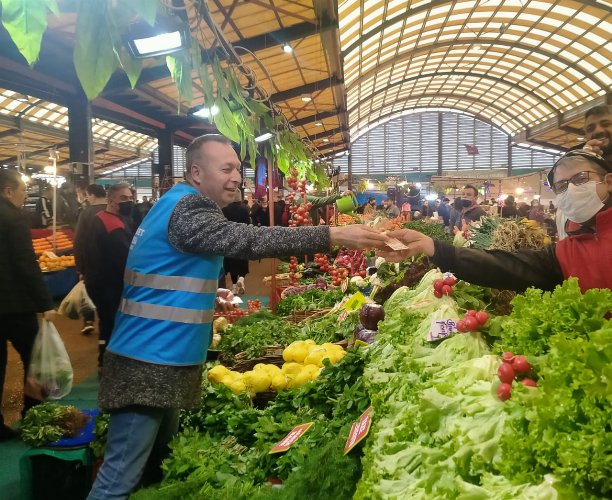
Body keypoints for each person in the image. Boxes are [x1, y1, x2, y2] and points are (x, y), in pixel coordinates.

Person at [87, 135, 388, 499]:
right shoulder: (188, 208)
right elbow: (247, 240)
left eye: (238, 170)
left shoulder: (174, 204)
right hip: (148, 358)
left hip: (159, 354)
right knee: (118, 480)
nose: (236, 178)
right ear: (197, 172)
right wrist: (333, 234)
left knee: (152, 468)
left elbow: (164, 269)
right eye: (226, 169)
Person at [382, 149, 612, 393]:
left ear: (608, 182)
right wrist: (434, 248)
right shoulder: (565, 252)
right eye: (561, 186)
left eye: (579, 179)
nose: (570, 190)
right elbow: (505, 266)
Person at [0, 170, 56, 440]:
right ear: (8, 191)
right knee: (35, 359)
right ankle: (33, 415)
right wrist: (45, 302)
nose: (25, 196)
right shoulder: (13, 220)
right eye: (22, 191)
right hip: (15, 305)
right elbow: (25, 265)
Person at [80, 183, 135, 368]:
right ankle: (107, 361)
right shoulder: (112, 224)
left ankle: (107, 358)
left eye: (130, 197)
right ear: (111, 201)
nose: (129, 201)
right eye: (123, 198)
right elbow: (126, 255)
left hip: (99, 280)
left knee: (107, 320)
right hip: (106, 284)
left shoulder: (104, 217)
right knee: (110, 321)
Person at [74, 184, 108, 335]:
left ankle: (88, 320)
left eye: (87, 195)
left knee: (88, 292)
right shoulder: (113, 210)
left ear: (92, 195)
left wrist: (80, 267)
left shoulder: (86, 213)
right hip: (112, 262)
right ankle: (106, 323)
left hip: (91, 263)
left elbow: (79, 241)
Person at [221, 189, 251, 288]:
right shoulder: (244, 209)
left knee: (231, 262)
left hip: (228, 239)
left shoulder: (224, 209)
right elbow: (248, 224)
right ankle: (241, 278)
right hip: (242, 238)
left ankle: (234, 286)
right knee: (242, 260)